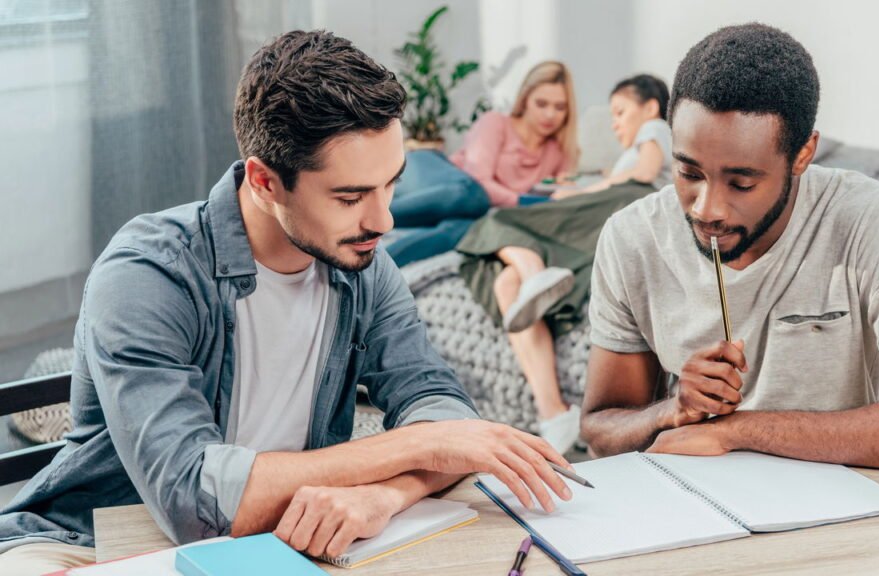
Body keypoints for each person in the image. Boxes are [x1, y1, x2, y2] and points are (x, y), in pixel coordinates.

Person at [0, 31, 575, 576]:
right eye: (350, 197)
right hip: (89, 543)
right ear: (264, 181)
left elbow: (439, 406)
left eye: (391, 184)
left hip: (275, 544)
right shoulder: (149, 274)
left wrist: (386, 494)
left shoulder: (365, 266)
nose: (384, 220)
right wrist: (418, 444)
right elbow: (193, 500)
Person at [580, 23, 879, 468]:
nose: (706, 209)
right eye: (689, 173)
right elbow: (602, 432)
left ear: (802, 155)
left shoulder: (874, 221)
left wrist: (738, 432)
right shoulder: (631, 237)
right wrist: (673, 408)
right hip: (691, 508)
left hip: (836, 506)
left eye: (741, 182)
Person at [455, 75, 674, 454]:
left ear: (651, 107)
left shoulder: (658, 128)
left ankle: (535, 272)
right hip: (609, 214)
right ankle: (553, 413)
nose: (615, 123)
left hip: (623, 204)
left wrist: (585, 191)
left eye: (620, 112)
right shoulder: (633, 152)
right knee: (506, 284)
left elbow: (641, 174)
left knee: (494, 221)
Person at [385, 61, 579, 266]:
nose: (550, 115)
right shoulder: (496, 122)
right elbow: (480, 181)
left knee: (467, 229)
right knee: (472, 194)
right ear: (525, 99)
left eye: (560, 107)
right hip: (431, 173)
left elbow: (560, 200)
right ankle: (373, 216)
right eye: (541, 104)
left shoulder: (559, 152)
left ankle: (378, 268)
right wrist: (531, 202)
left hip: (470, 209)